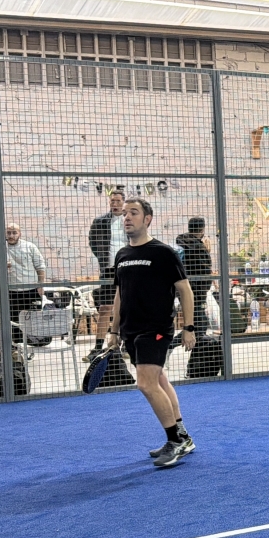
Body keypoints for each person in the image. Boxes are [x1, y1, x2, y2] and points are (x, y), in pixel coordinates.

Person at [103, 198, 198, 468]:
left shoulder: (163, 253)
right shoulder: (121, 255)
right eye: (124, 214)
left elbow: (185, 291)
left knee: (145, 384)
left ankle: (175, 442)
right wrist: (113, 330)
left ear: (148, 219)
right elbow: (120, 294)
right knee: (159, 380)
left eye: (134, 213)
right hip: (130, 331)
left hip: (156, 328)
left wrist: (188, 327)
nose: (127, 218)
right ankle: (183, 436)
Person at [86, 189, 127, 362]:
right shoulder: (100, 221)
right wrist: (104, 258)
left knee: (127, 309)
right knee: (104, 308)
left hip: (128, 268)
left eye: (118, 201)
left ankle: (125, 345)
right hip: (108, 270)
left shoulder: (130, 220)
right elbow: (93, 242)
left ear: (123, 202)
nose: (115, 204)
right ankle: (97, 347)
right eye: (112, 201)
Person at [0, 223, 47, 321]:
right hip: (9, 291)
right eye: (8, 233)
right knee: (12, 322)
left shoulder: (29, 246)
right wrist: (0, 264)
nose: (11, 236)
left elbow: (40, 266)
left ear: (20, 234)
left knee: (34, 322)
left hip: (30, 290)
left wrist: (41, 285)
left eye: (14, 233)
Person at [176, 216, 213, 335]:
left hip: (181, 289)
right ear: (202, 230)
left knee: (197, 325)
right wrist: (206, 251)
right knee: (200, 326)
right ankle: (170, 345)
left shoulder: (180, 243)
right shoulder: (199, 247)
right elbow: (205, 271)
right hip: (197, 291)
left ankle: (194, 351)